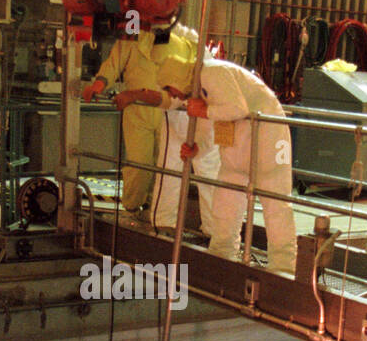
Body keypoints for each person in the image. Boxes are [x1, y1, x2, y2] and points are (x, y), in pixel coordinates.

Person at [182, 55, 297, 274]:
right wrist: (198, 148)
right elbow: (210, 124)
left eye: (171, 90)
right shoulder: (201, 86)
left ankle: (284, 268)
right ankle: (221, 256)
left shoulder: (212, 72)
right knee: (226, 203)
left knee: (276, 206)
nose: (173, 96)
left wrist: (203, 111)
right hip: (237, 146)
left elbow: (237, 108)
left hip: (270, 138)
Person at [82, 24, 196, 220]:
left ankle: (158, 213)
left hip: (169, 112)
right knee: (139, 164)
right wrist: (99, 84)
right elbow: (114, 62)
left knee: (167, 169)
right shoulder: (133, 31)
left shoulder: (185, 39)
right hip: (137, 110)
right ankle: (133, 209)